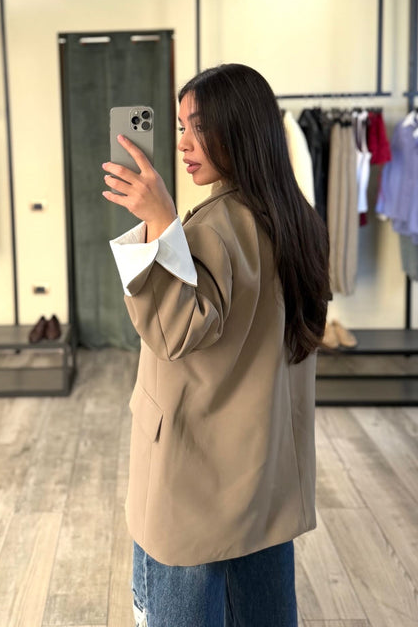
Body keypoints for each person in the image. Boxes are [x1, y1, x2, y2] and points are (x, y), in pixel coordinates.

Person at [102, 63, 330, 627]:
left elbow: (173, 331)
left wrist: (160, 222)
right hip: (263, 470)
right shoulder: (294, 217)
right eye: (181, 127)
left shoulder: (214, 228)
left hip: (196, 476)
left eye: (198, 126)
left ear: (239, 128)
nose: (183, 143)